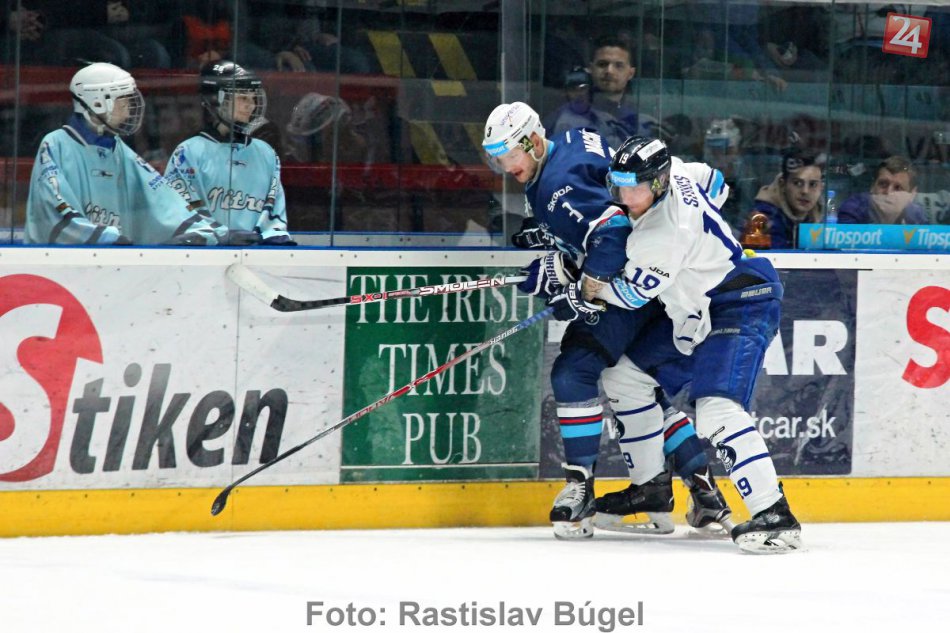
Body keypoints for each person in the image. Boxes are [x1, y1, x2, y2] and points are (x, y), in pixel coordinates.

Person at [483, 102, 732, 539]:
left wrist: (582, 288)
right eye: (497, 158)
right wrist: (557, 246)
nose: (506, 166)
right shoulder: (572, 141)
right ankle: (701, 492)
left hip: (630, 290)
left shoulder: (557, 185)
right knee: (636, 390)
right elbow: (603, 208)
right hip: (656, 286)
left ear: (534, 141)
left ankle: (579, 490)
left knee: (573, 372)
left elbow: (613, 234)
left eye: (510, 155)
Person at [589, 135, 802, 554]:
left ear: (659, 181)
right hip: (697, 309)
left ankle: (775, 514)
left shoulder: (663, 235)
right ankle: (651, 490)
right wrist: (706, 247)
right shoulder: (681, 171)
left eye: (636, 188)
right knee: (625, 377)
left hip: (740, 301)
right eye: (620, 186)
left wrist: (580, 287)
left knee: (717, 408)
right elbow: (717, 183)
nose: (626, 198)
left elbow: (628, 296)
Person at [25, 63, 224, 246]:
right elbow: (53, 209)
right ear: (97, 102)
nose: (129, 110)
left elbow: (162, 199)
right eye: (123, 102)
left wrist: (210, 233)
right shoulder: (56, 144)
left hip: (111, 263)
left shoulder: (118, 148)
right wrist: (103, 238)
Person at [164, 61, 294, 246]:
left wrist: (271, 237)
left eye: (253, 98)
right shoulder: (188, 152)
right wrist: (218, 237)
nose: (251, 105)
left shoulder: (266, 153)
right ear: (216, 100)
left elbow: (274, 218)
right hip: (201, 257)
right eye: (242, 98)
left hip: (253, 255)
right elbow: (179, 213)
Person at [544, 36, 643, 150]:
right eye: (602, 64)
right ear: (591, 69)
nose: (609, 71)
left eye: (618, 65)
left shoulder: (642, 121)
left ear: (631, 73)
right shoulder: (565, 120)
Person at [747, 147, 826, 249]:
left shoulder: (821, 217)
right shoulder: (763, 218)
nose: (805, 191)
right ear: (783, 184)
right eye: (797, 183)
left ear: (821, 187)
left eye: (813, 184)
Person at [838, 156, 928, 225]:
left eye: (898, 188)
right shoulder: (853, 208)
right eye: (883, 184)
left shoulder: (916, 215)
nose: (889, 192)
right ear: (872, 186)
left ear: (911, 194)